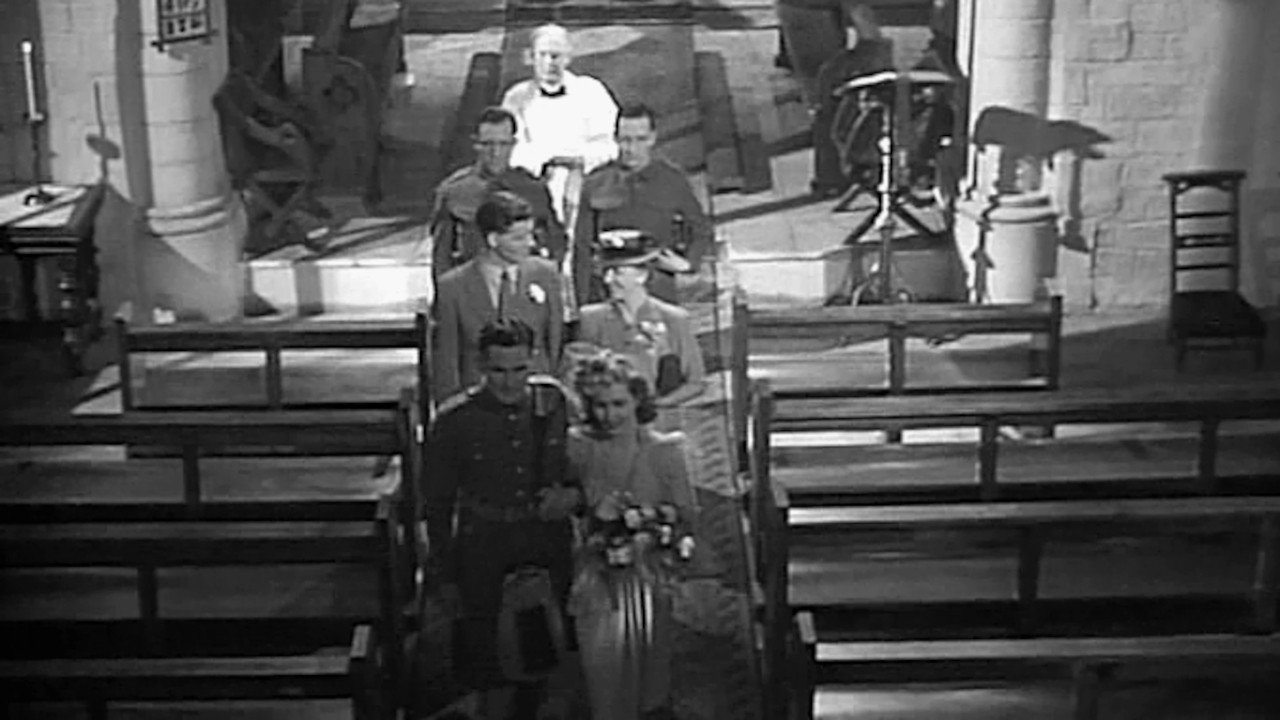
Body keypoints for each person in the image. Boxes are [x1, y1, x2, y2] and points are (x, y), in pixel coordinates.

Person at [421, 317, 582, 720]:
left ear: (533, 360)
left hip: (547, 544)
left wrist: (574, 496)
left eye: (519, 369)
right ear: (480, 365)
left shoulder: (555, 403)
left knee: (551, 650)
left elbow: (590, 465)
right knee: (490, 661)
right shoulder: (454, 420)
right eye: (498, 370)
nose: (509, 382)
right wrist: (445, 575)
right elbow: (436, 505)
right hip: (484, 548)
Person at [565, 353, 698, 720]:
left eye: (619, 404)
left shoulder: (665, 451)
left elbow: (687, 517)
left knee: (650, 684)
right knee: (604, 679)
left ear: (638, 399)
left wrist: (650, 521)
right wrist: (595, 514)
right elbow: (563, 512)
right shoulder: (578, 450)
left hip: (649, 576)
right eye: (600, 405)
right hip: (596, 578)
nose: (610, 415)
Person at [573, 103, 713, 306]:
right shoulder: (596, 182)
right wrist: (584, 306)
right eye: (625, 140)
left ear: (652, 138)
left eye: (640, 139)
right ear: (615, 139)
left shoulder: (672, 180)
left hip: (658, 292)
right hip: (609, 292)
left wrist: (688, 264)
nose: (632, 149)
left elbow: (701, 229)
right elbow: (582, 249)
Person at [432, 191, 564, 401]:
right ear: (493, 239)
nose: (530, 243)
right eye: (519, 238)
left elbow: (555, 343)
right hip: (478, 403)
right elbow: (447, 360)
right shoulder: (453, 287)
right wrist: (452, 408)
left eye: (531, 235)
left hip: (535, 400)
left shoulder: (546, 274)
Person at [501, 23, 620, 227]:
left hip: (587, 180)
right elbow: (512, 148)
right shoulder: (516, 97)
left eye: (556, 56)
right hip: (535, 182)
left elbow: (609, 143)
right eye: (543, 55)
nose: (550, 62)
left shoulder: (592, 91)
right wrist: (545, 162)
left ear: (568, 57)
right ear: (531, 57)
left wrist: (578, 163)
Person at [430, 106, 567, 279]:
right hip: (473, 285)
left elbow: (556, 244)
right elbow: (441, 258)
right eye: (488, 144)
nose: (496, 152)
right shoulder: (454, 191)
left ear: (513, 144)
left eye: (503, 144)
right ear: (476, 144)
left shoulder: (533, 190)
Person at [576, 229, 706, 404]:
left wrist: (659, 405)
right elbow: (578, 379)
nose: (608, 280)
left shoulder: (673, 319)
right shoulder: (591, 318)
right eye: (605, 272)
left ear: (642, 276)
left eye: (617, 272)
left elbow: (696, 382)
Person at [811, 3, 894, 197]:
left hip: (813, 14)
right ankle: (839, 175)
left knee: (828, 103)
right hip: (814, 14)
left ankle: (834, 177)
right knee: (833, 101)